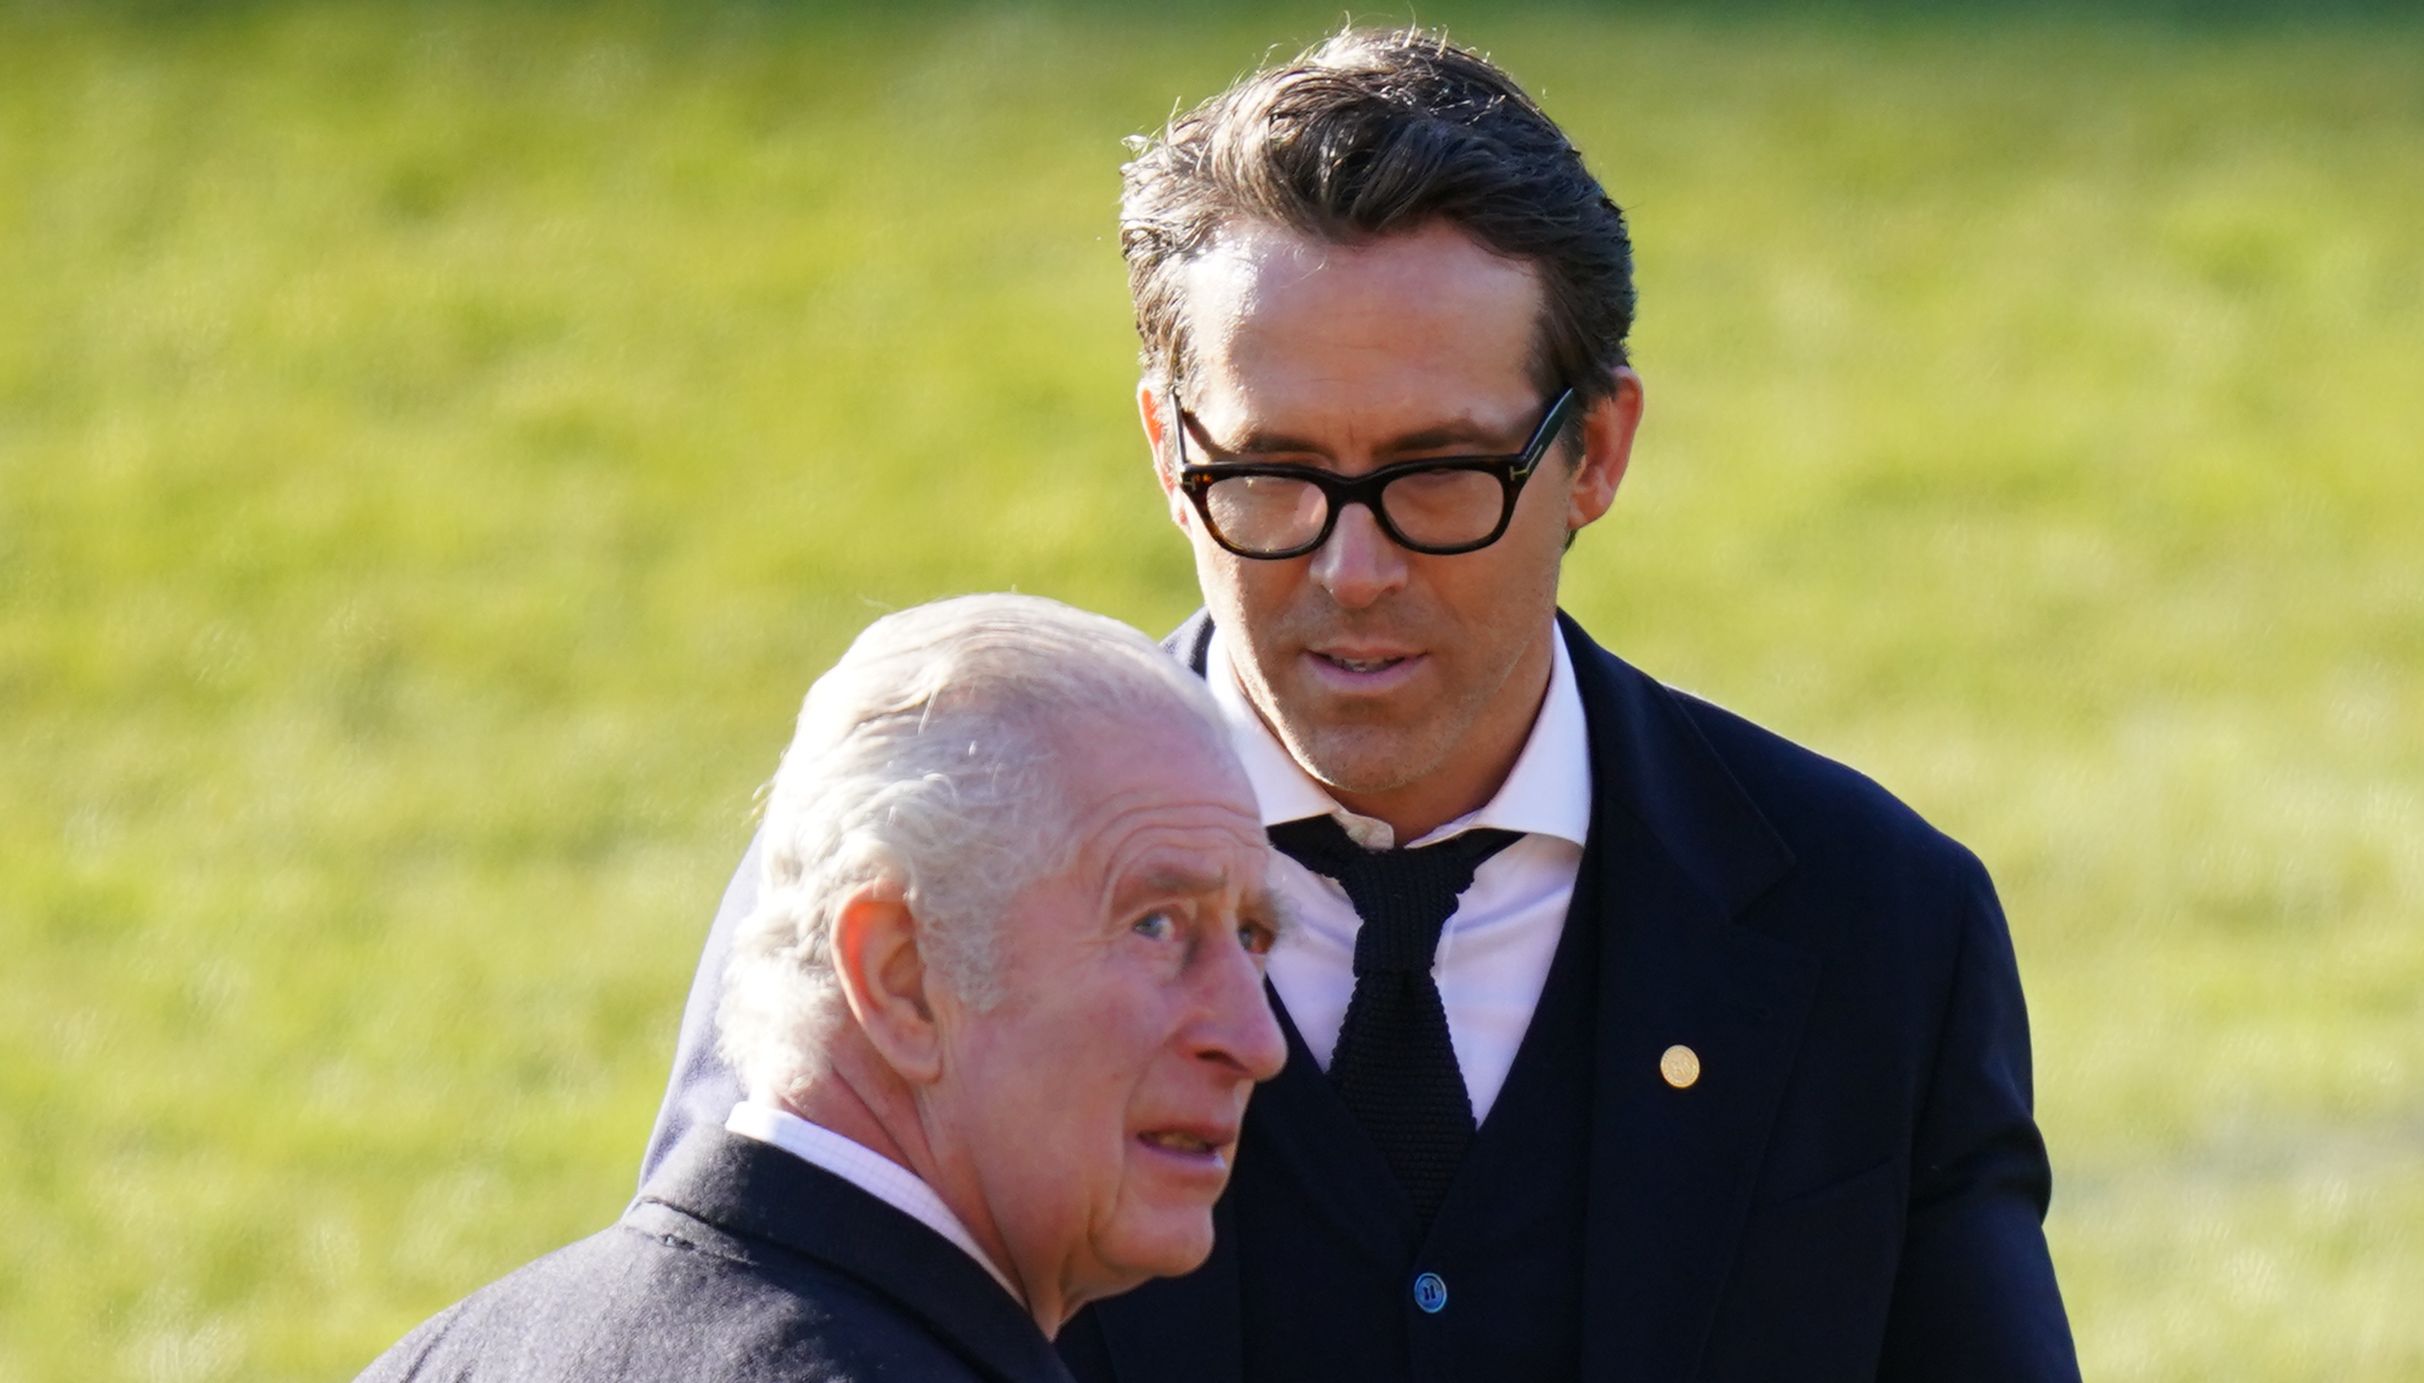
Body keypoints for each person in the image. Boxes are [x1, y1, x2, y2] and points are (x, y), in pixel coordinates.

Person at [646, 27, 2081, 1383]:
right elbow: (717, 1330)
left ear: (1596, 452)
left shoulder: (1879, 923)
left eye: (1437, 474)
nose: (1353, 571)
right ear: (1168, 448)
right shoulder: (906, 873)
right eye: (1271, 474)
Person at [362, 594, 1287, 1382]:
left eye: (1251, 936)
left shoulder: (440, 1358)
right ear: (902, 979)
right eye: (1157, 925)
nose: (1258, 1040)